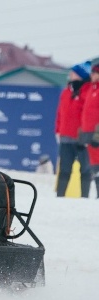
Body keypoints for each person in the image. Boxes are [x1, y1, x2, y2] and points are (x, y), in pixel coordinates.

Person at [55, 62, 93, 198]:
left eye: (73, 72)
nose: (70, 75)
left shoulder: (89, 91)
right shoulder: (66, 92)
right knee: (64, 169)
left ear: (81, 75)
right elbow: (60, 113)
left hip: (82, 137)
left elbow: (89, 114)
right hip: (65, 136)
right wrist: (58, 130)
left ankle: (84, 197)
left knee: (85, 169)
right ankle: (59, 196)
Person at [80, 64, 99, 197]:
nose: (91, 75)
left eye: (94, 73)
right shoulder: (90, 89)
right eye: (91, 73)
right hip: (88, 132)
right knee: (94, 165)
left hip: (96, 133)